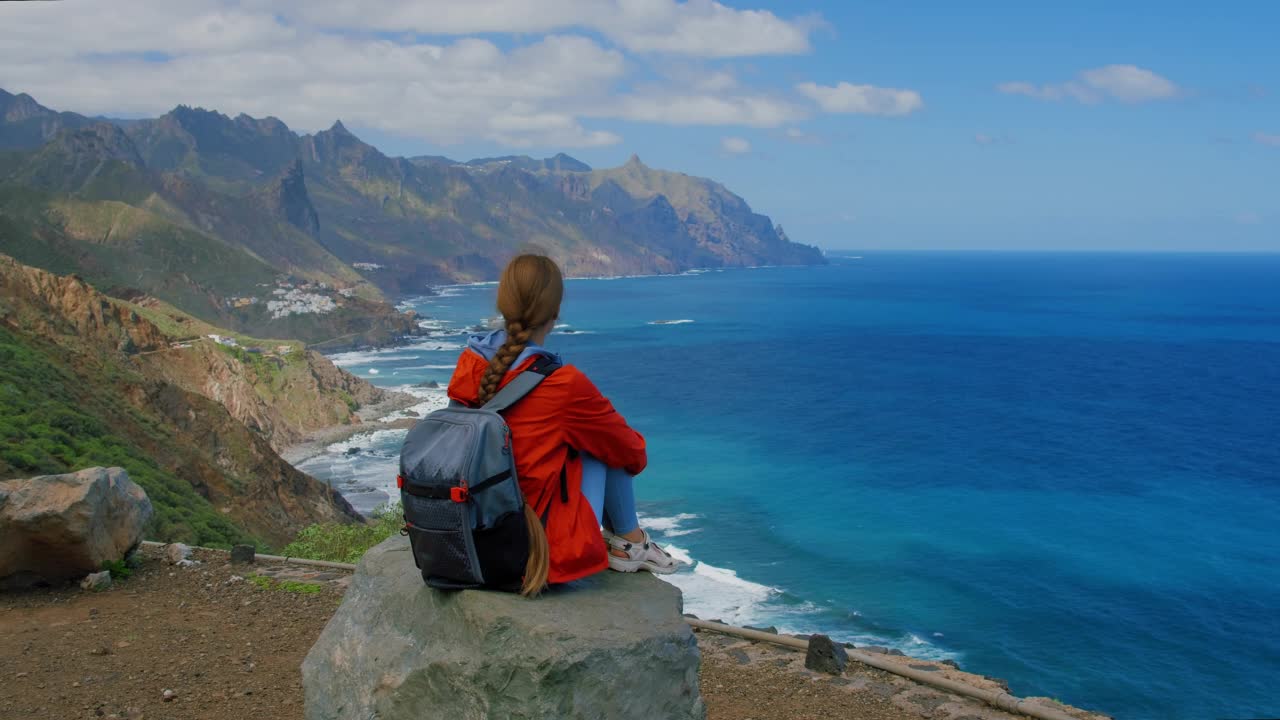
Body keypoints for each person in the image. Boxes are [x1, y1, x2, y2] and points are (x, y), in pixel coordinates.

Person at [447, 254, 679, 595]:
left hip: (466, 536)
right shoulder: (563, 384)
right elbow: (632, 454)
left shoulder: (469, 361)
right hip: (530, 554)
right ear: (554, 314)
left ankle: (630, 543)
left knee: (587, 439)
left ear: (502, 303)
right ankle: (630, 542)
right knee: (601, 445)